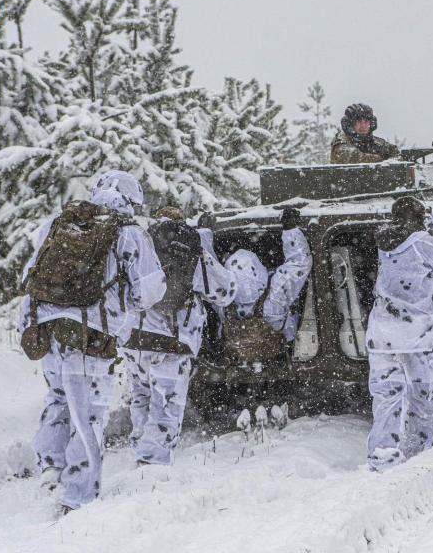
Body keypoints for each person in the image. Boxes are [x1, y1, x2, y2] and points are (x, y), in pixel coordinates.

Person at [19, 170, 166, 513]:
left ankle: (51, 468)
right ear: (131, 200)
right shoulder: (129, 234)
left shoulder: (57, 224)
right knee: (89, 415)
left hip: (49, 329)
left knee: (57, 397)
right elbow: (149, 291)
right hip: (91, 334)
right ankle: (78, 496)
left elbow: (29, 276)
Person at [120, 208, 236, 467]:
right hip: (172, 342)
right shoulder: (188, 249)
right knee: (166, 405)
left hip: (134, 339)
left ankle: (141, 451)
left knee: (142, 397)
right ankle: (152, 465)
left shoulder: (138, 244)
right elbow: (224, 291)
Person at [364, 196, 433, 471]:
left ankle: (383, 455)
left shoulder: (384, 242)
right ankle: (422, 453)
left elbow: (412, 236)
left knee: (386, 397)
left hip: (382, 335)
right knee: (425, 395)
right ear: (417, 218)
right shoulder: (424, 244)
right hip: (416, 337)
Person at [263, 208, 313, 341]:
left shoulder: (233, 294)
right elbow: (300, 263)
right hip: (281, 346)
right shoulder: (277, 288)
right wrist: (290, 230)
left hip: (245, 354)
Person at [330, 103, 400, 164]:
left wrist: (392, 161)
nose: (363, 125)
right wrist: (380, 160)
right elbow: (350, 157)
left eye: (366, 121)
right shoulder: (342, 140)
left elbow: (396, 154)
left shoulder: (375, 142)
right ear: (351, 123)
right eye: (359, 121)